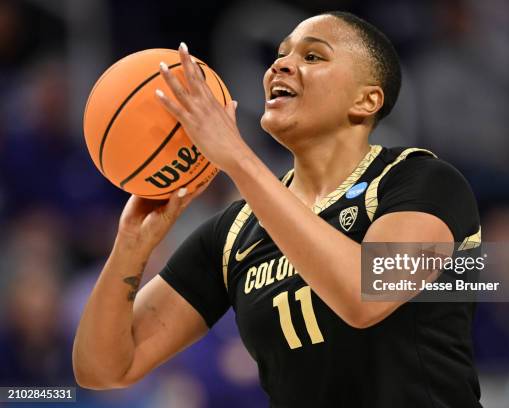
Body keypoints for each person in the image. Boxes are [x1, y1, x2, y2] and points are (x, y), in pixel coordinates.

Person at [73, 11, 482, 407]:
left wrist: (238, 159)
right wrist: (130, 245)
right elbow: (103, 369)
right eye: (281, 54)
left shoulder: (422, 182)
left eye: (313, 56)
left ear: (366, 100)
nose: (281, 65)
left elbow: (366, 297)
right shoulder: (234, 234)